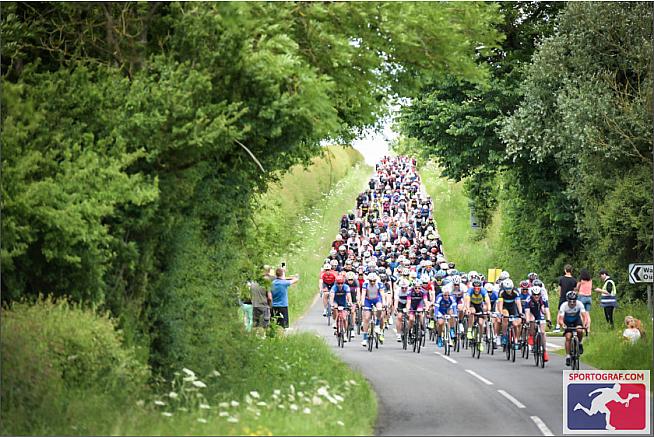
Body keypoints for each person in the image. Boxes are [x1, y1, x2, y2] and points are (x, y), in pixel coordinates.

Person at [557, 291, 589, 366]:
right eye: (570, 301)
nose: (572, 303)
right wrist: (563, 324)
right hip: (567, 321)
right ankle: (568, 356)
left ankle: (580, 343)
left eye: (574, 301)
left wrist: (584, 324)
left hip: (576, 320)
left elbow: (584, 316)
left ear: (576, 300)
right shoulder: (563, 305)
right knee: (568, 337)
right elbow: (561, 319)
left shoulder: (579, 304)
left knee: (579, 330)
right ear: (567, 300)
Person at [555, 264, 577, 332]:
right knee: (571, 311)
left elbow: (559, 288)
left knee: (560, 311)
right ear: (571, 271)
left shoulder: (561, 279)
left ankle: (558, 326)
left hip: (563, 297)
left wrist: (559, 295)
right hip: (571, 298)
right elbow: (575, 290)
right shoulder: (574, 280)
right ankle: (572, 325)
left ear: (565, 270)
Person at [576, 268, 593, 333]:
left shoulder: (581, 280)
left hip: (582, 297)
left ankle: (582, 328)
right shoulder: (590, 280)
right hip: (589, 297)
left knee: (581, 314)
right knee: (587, 314)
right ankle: (588, 329)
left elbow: (577, 287)